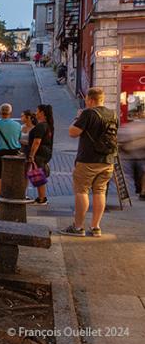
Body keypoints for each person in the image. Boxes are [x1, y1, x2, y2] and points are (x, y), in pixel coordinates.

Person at [61, 87, 118, 237]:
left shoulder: (88, 113)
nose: (86, 102)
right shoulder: (113, 114)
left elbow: (73, 132)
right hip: (107, 160)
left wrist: (77, 117)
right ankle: (96, 227)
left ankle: (78, 227)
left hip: (88, 160)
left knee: (82, 191)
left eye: (86, 99)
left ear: (91, 100)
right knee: (100, 191)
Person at [0, 103, 22, 196]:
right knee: (14, 176)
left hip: (0, 152)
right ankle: (13, 196)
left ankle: (0, 200)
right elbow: (19, 138)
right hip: (14, 152)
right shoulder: (17, 125)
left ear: (0, 112)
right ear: (10, 112)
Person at [27, 104, 54, 205]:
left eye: (37, 111)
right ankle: (41, 197)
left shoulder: (41, 126)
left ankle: (42, 198)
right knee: (38, 174)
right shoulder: (48, 125)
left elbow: (37, 141)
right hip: (45, 152)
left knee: (38, 175)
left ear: (42, 113)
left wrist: (31, 155)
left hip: (39, 153)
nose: (35, 113)